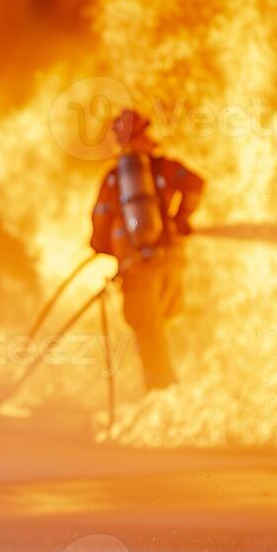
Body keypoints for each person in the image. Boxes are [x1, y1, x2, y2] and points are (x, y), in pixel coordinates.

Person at [89, 109, 205, 390]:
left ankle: (162, 390)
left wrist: (110, 251)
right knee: (170, 324)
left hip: (137, 270)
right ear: (143, 134)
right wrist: (181, 218)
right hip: (171, 262)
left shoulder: (114, 180)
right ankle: (195, 386)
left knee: (147, 330)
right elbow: (196, 184)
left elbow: (99, 228)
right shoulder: (163, 167)